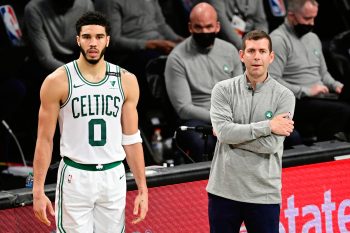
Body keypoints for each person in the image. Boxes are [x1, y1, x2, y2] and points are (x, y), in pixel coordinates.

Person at [32, 12, 148, 232]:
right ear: (78, 40)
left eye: (98, 36)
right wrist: (37, 190)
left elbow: (132, 139)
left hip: (113, 174)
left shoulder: (126, 80)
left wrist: (143, 188)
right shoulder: (57, 81)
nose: (93, 43)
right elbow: (45, 140)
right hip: (76, 175)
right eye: (86, 37)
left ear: (107, 40)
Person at [207, 30, 295, 233]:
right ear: (241, 55)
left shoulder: (285, 96)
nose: (256, 56)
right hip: (223, 192)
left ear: (271, 57)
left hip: (263, 195)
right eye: (251, 50)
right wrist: (268, 126)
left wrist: (230, 135)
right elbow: (224, 132)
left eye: (262, 51)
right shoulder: (222, 89)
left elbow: (271, 145)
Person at [164, 2, 242, 162]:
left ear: (218, 26)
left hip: (232, 116)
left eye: (208, 27)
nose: (204, 31)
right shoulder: (177, 58)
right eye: (198, 27)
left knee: (284, 134)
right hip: (199, 119)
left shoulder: (230, 50)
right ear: (190, 27)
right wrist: (219, 119)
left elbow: (241, 92)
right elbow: (184, 109)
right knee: (202, 144)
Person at [269, 0, 350, 141]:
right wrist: (306, 90)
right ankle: (325, 147)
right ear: (291, 16)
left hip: (320, 96)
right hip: (298, 100)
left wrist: (336, 85)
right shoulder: (277, 40)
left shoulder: (313, 38)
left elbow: (323, 74)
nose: (311, 23)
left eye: (314, 18)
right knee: (343, 110)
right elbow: (272, 81)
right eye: (307, 18)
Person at [94, 0, 183, 117]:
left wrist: (181, 41)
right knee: (159, 64)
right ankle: (157, 118)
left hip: (159, 45)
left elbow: (161, 26)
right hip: (131, 53)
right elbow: (113, 41)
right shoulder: (111, 2)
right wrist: (150, 44)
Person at [24, 0, 95, 74]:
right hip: (47, 61)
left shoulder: (86, 4)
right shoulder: (34, 8)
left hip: (76, 56)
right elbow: (45, 58)